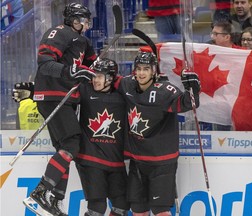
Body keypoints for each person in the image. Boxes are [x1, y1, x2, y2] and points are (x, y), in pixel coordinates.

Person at [20, 3, 97, 216]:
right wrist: (70, 72)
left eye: (86, 20)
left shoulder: (84, 41)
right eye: (81, 20)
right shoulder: (59, 33)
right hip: (53, 95)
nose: (85, 24)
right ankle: (41, 192)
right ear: (72, 19)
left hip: (66, 98)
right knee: (72, 142)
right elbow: (44, 63)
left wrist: (99, 69)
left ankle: (55, 200)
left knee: (64, 149)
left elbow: (92, 67)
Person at [114, 51, 200, 216]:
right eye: (138, 69)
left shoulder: (165, 91)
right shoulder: (128, 85)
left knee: (161, 211)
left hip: (162, 163)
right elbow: (109, 80)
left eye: (146, 69)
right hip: (138, 161)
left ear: (154, 71)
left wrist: (193, 88)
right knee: (138, 209)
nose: (141, 73)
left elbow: (188, 103)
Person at [75, 58, 130, 216]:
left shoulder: (123, 94)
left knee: (122, 205)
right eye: (93, 76)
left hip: (115, 161)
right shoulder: (85, 90)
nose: (95, 80)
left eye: (99, 76)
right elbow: (63, 92)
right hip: (91, 159)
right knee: (97, 207)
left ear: (111, 78)